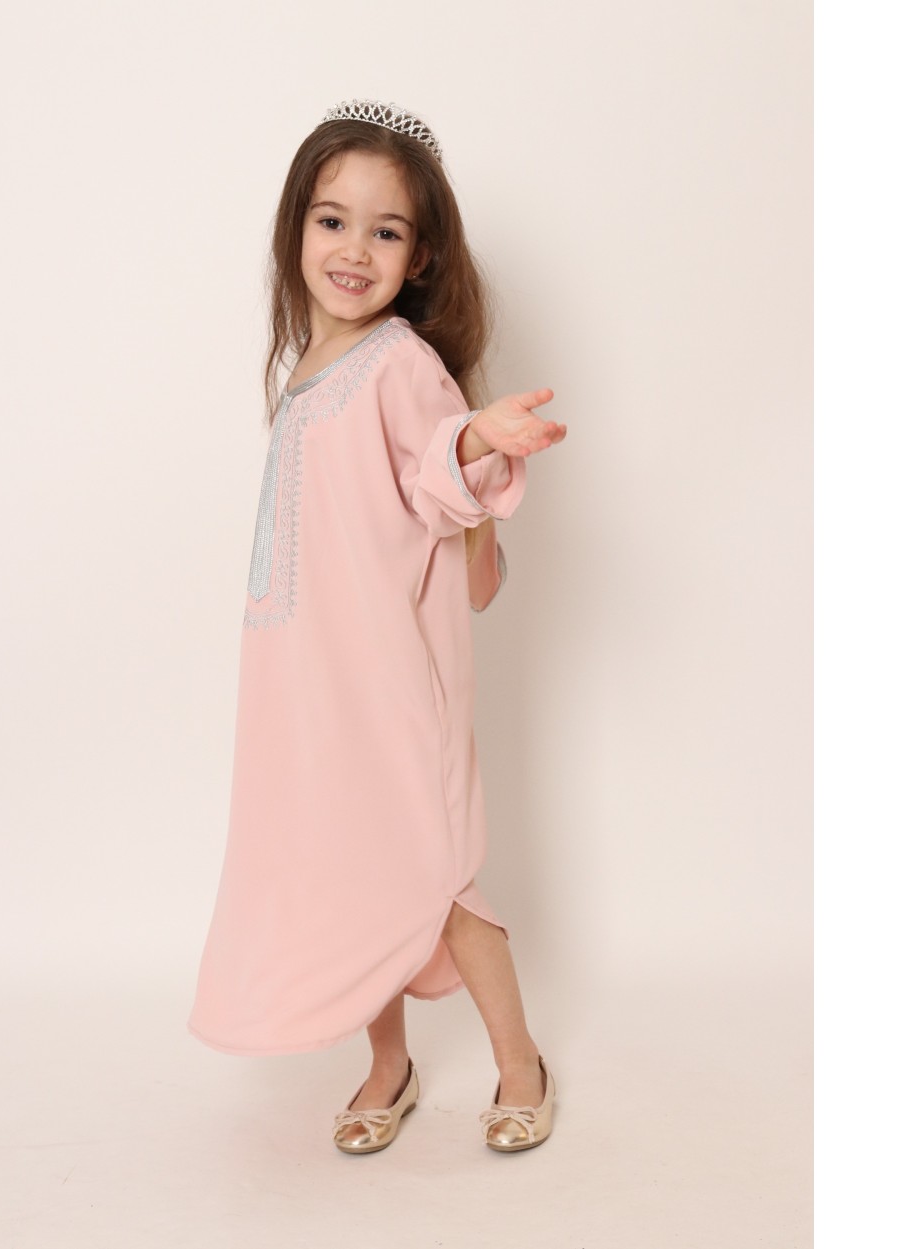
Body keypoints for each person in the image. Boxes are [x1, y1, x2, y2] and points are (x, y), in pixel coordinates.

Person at [187, 100, 567, 1154]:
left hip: (385, 681)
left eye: (385, 230)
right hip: (305, 683)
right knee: (348, 868)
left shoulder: (400, 364)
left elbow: (437, 468)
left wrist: (478, 441)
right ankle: (388, 1065)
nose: (354, 250)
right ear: (295, 231)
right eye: (332, 221)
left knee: (433, 873)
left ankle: (521, 1062)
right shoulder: (304, 374)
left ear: (420, 254)